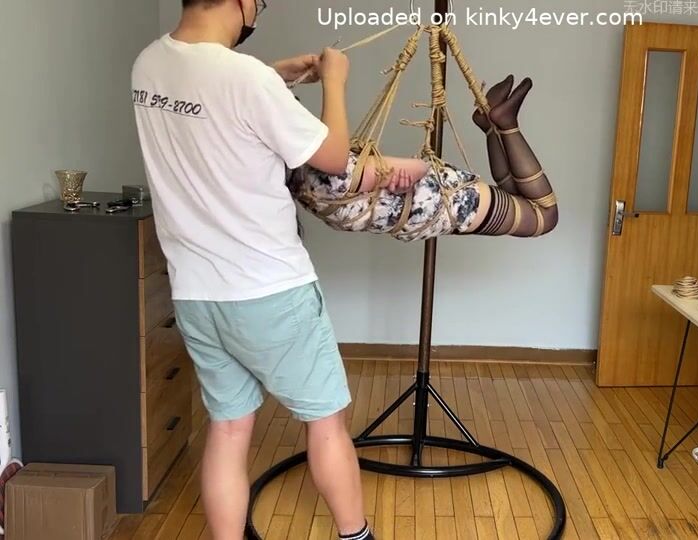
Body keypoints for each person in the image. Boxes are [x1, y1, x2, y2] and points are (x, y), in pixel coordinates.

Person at [130, 1, 372, 539]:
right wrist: (335, 82)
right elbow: (334, 157)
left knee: (229, 427)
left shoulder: (147, 65)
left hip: (196, 294)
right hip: (271, 290)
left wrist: (277, 73)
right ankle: (356, 535)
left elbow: (208, 93)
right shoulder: (245, 79)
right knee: (326, 422)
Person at [287, 75, 559, 241]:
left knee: (526, 204)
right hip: (449, 201)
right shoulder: (333, 167)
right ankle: (501, 124)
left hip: (441, 206)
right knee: (544, 217)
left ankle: (496, 125)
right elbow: (418, 167)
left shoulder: (303, 185)